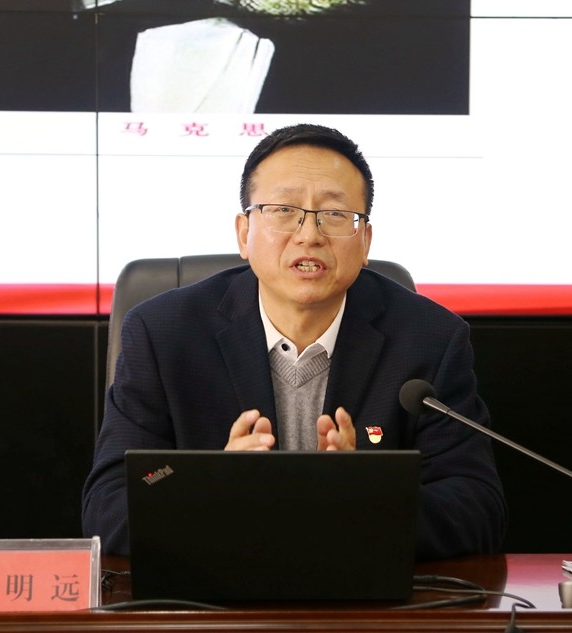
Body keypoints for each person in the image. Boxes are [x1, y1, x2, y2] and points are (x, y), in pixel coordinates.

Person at [82, 123, 506, 559]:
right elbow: (110, 507)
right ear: (244, 233)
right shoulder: (163, 334)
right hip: (213, 591)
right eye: (284, 210)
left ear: (365, 241)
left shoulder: (429, 340)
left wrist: (366, 497)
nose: (309, 235)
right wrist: (208, 486)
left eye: (335, 214)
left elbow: (478, 508)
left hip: (362, 593)